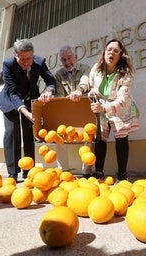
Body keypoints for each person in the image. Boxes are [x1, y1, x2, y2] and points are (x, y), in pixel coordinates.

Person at [0, 39, 56, 181]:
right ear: (15, 55)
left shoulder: (39, 62)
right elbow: (12, 92)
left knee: (29, 133)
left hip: (30, 99)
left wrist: (49, 90)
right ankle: (13, 172)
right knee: (13, 131)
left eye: (29, 58)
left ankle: (28, 171)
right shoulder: (8, 65)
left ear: (33, 54)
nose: (26, 62)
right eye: (22, 59)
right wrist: (24, 111)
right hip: (10, 100)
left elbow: (50, 80)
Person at [84, 39, 139, 181]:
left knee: (121, 137)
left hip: (120, 108)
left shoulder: (126, 73)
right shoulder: (96, 68)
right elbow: (89, 84)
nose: (111, 53)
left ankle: (122, 175)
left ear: (121, 55)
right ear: (104, 52)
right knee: (100, 137)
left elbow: (122, 99)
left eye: (116, 51)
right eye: (109, 49)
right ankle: (99, 172)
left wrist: (105, 107)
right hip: (101, 105)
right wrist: (84, 91)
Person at [54, 45, 93, 178]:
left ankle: (87, 172)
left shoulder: (85, 69)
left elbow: (85, 81)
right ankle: (64, 171)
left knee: (89, 136)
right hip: (67, 112)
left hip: (84, 111)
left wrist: (79, 91)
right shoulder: (58, 75)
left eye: (69, 58)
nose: (67, 62)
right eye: (64, 59)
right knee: (58, 136)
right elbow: (59, 96)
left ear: (75, 57)